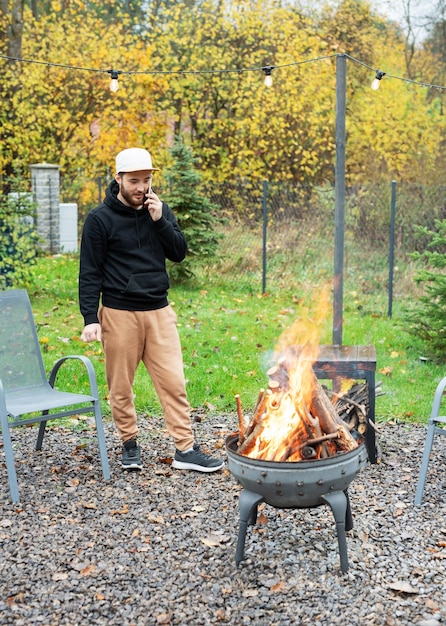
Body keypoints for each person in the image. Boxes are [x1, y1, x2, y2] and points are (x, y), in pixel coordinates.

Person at [78, 147, 224, 473]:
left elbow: (179, 253)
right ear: (118, 179)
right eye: (134, 181)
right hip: (119, 314)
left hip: (159, 311)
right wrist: (91, 318)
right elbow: (90, 271)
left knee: (174, 383)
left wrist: (160, 222)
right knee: (120, 386)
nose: (141, 187)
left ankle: (185, 449)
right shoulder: (99, 220)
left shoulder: (159, 211)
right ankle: (129, 444)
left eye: (146, 180)